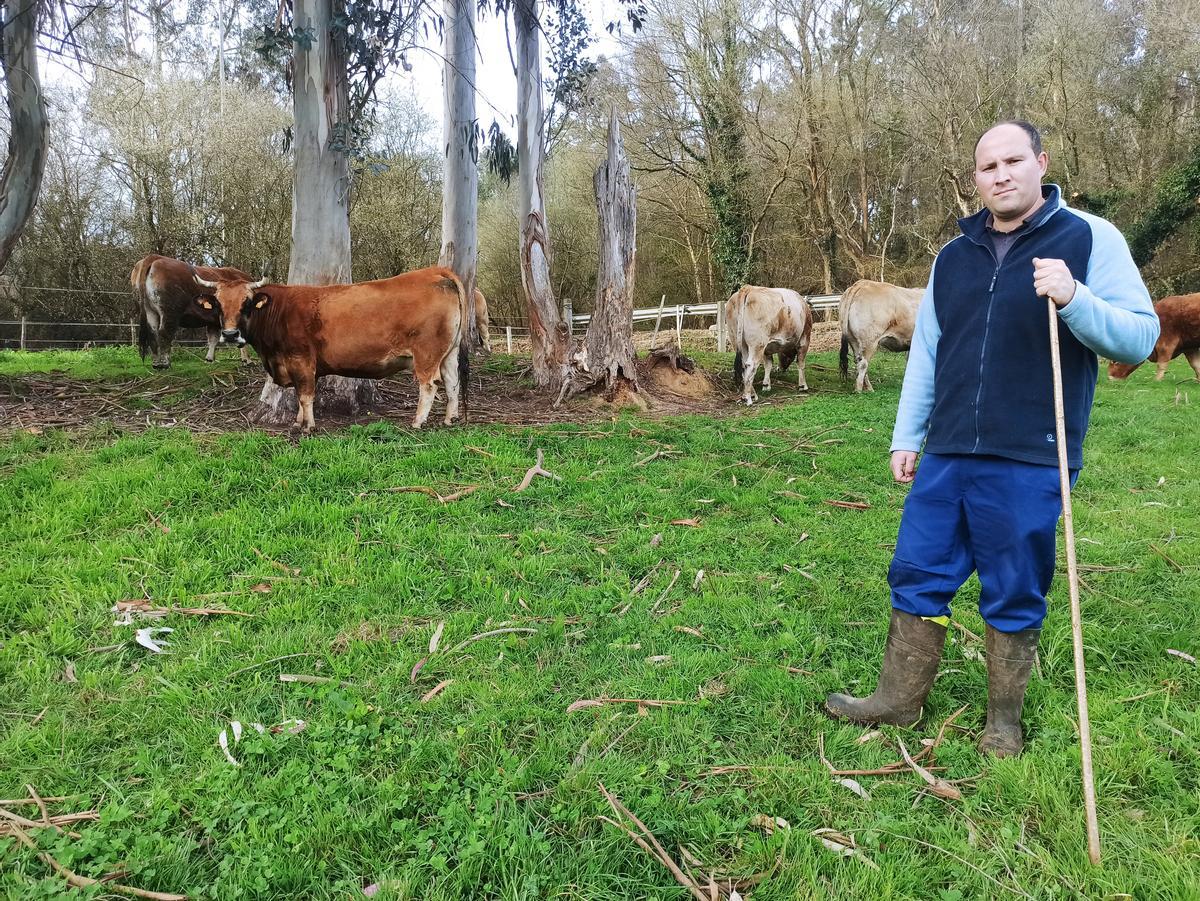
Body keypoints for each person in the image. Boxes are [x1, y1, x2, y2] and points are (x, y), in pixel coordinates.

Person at [825, 121, 1160, 757]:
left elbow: (1140, 339)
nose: (1001, 175)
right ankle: (897, 702)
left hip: (1031, 452)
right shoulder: (952, 257)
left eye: (1013, 161)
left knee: (1013, 583)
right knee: (917, 570)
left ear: (1041, 163)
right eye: (987, 166)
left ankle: (1002, 721)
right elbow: (929, 352)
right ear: (975, 178)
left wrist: (1074, 296)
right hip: (948, 450)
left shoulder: (1090, 238)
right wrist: (907, 433)